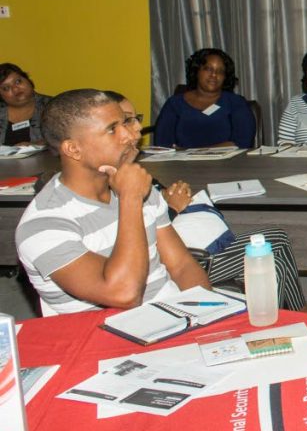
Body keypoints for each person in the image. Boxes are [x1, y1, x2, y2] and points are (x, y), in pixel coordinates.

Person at [107, 91, 307, 311]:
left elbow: (153, 207)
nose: (137, 128)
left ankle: (294, 317)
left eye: (136, 118)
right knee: (274, 252)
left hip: (185, 246)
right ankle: (298, 315)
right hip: (185, 257)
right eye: (127, 120)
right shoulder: (113, 182)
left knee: (276, 246)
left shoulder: (133, 170)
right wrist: (173, 207)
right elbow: (139, 234)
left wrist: (167, 195)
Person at [15, 89, 210, 313]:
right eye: (112, 129)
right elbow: (124, 293)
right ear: (73, 149)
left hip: (177, 318)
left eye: (125, 123)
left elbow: (182, 266)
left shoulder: (135, 186)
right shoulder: (43, 225)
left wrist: (207, 314)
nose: (128, 135)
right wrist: (130, 199)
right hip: (109, 340)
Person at [153, 48, 256, 149]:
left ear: (225, 77)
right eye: (208, 69)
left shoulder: (236, 103)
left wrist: (192, 152)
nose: (214, 75)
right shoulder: (175, 104)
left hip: (226, 164)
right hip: (181, 165)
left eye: (220, 71)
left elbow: (242, 143)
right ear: (196, 71)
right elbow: (162, 144)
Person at [0, 63, 51, 146]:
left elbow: (67, 138)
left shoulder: (54, 106)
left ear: (28, 80)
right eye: (6, 88)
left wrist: (36, 145)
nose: (15, 89)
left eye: (18, 81)